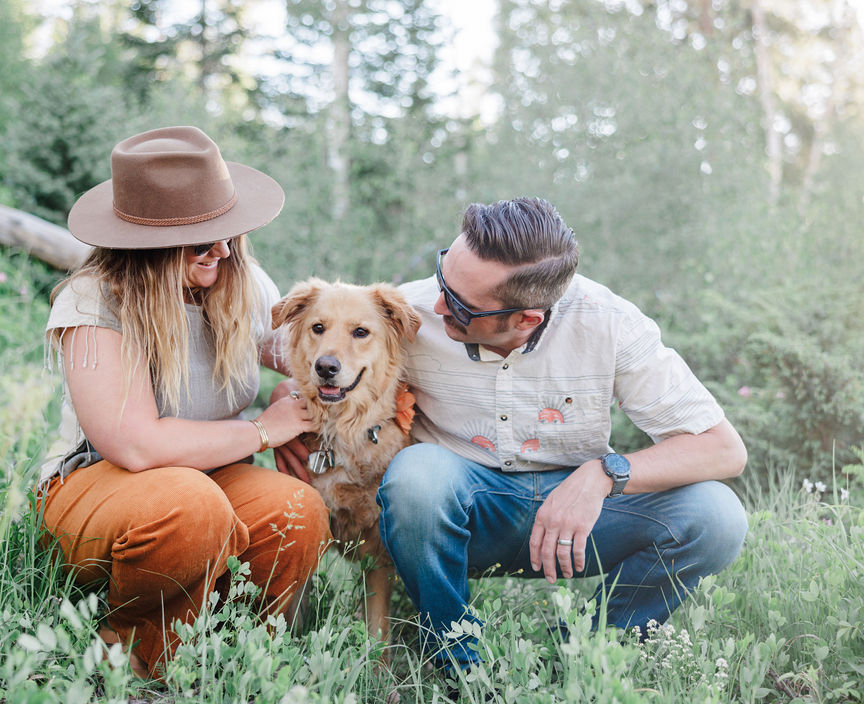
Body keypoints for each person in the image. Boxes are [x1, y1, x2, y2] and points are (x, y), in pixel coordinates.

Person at [278, 196, 748, 670]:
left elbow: (724, 450)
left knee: (717, 516)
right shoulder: (407, 313)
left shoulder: (610, 325)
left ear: (526, 319)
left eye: (460, 305)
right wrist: (289, 408)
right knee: (416, 477)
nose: (438, 304)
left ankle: (579, 653)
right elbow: (314, 355)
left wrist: (603, 475)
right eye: (444, 277)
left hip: (579, 515)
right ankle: (456, 660)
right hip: (463, 510)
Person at [37, 126, 330, 678]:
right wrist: (264, 432)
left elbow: (302, 357)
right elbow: (137, 444)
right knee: (190, 504)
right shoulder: (95, 299)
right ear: (148, 243)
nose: (221, 249)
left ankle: (234, 654)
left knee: (298, 510)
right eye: (202, 239)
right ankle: (134, 658)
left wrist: (301, 392)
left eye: (227, 232)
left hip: (212, 483)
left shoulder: (239, 279)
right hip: (101, 488)